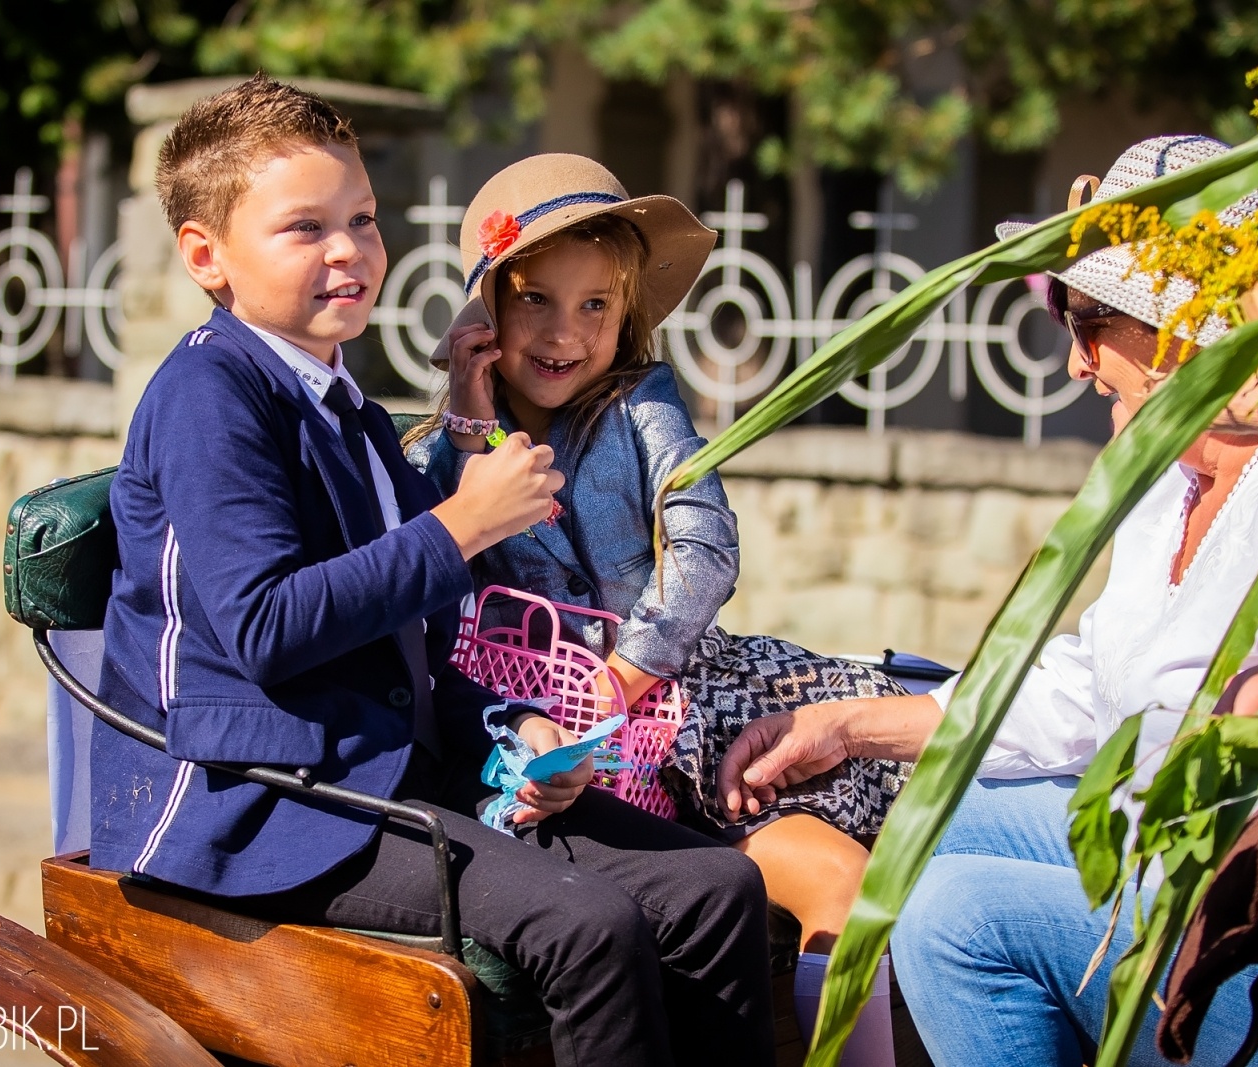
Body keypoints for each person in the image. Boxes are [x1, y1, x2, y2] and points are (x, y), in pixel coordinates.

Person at [89, 76, 775, 1067]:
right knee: (589, 923)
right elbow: (266, 626)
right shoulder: (210, 393)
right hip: (258, 800)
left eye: (362, 219)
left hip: (378, 766)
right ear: (207, 256)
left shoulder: (353, 412)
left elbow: (410, 642)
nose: (348, 249)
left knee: (719, 887)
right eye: (305, 227)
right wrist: (458, 526)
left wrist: (514, 727)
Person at [716, 135, 1258, 1067]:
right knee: (926, 818)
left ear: (1182, 330)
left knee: (953, 916)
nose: (1075, 362)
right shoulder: (1168, 485)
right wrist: (844, 725)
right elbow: (1085, 687)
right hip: (1148, 849)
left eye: (1087, 319)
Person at [405, 152, 904, 1060]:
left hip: (687, 716)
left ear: (626, 311)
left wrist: (624, 674)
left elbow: (705, 545)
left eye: (595, 304)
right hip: (550, 742)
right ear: (486, 313)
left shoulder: (641, 403)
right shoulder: (437, 452)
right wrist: (469, 420)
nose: (566, 332)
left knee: (847, 881)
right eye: (535, 300)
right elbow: (436, 577)